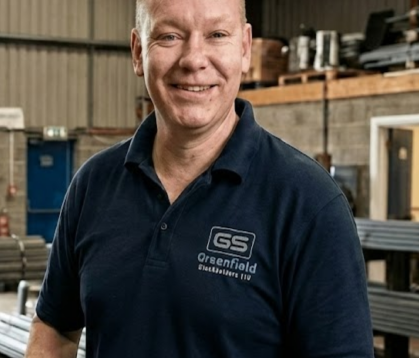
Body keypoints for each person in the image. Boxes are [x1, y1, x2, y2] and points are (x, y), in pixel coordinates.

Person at [25, 0, 374, 357]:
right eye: (170, 35)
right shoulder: (93, 185)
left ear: (244, 48)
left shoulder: (308, 203)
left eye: (217, 34)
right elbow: (55, 325)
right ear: (138, 51)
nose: (193, 59)